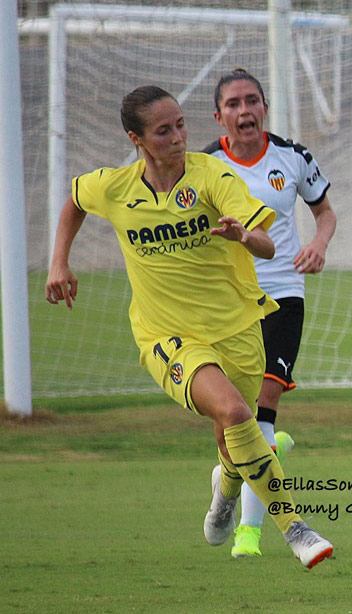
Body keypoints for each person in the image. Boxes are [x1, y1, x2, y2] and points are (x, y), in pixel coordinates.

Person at [44, 85, 334, 568]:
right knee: (240, 414)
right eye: (163, 130)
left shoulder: (211, 177)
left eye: (180, 125)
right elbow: (75, 200)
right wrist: (59, 263)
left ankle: (224, 486)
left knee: (231, 433)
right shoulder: (116, 186)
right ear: (136, 138)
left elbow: (266, 244)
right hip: (167, 337)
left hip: (238, 327)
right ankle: (296, 529)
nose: (178, 137)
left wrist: (245, 235)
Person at [203, 69, 337, 558]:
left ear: (264, 107)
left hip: (283, 294)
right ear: (219, 116)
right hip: (226, 300)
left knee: (262, 408)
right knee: (229, 418)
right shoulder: (203, 166)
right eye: (234, 104)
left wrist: (319, 243)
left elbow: (324, 211)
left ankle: (250, 534)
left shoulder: (293, 157)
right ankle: (227, 489)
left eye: (252, 100)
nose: (245, 111)